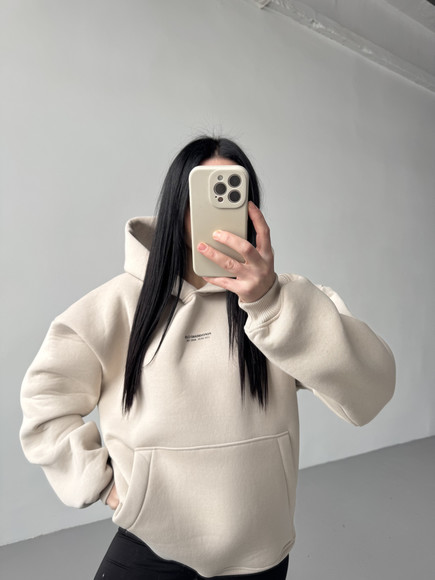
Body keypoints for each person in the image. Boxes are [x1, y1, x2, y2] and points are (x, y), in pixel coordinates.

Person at [20, 136, 395, 580]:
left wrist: (270, 303)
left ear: (251, 210)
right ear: (176, 203)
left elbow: (372, 389)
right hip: (151, 542)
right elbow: (45, 403)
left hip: (260, 549)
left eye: (232, 194)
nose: (216, 212)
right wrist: (107, 487)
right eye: (203, 195)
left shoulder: (286, 305)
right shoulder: (116, 306)